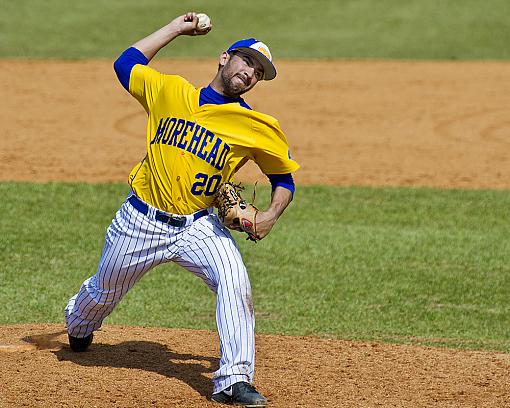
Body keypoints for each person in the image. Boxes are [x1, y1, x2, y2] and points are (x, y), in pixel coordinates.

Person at [64, 11, 299, 407]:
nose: (250, 73)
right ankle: (79, 321)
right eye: (247, 61)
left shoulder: (255, 126)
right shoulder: (171, 92)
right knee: (103, 293)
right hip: (139, 221)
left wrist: (270, 215)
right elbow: (125, 64)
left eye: (258, 72)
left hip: (199, 227)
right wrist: (177, 27)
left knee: (234, 281)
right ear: (225, 57)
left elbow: (284, 180)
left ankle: (234, 379)